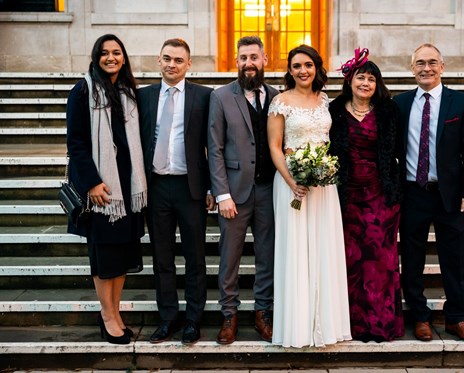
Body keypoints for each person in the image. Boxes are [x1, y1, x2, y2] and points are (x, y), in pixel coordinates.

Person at [394, 43, 464, 342]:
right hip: (412, 193)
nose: (426, 68)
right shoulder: (400, 104)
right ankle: (420, 316)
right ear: (412, 68)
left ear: (442, 67)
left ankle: (456, 318)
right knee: (412, 258)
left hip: (450, 195)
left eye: (432, 62)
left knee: (454, 259)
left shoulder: (460, 102)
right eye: (420, 63)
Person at [267, 44, 352, 348]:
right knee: (296, 249)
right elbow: (275, 147)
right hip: (293, 183)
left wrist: (324, 169)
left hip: (324, 184)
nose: (303, 70)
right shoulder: (280, 102)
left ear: (317, 67)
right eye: (296, 66)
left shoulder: (324, 100)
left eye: (308, 65)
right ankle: (298, 327)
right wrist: (292, 180)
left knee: (323, 249)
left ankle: (326, 324)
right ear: (289, 71)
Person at [66, 34, 147, 345]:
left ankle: (116, 311)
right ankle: (107, 315)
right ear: (96, 56)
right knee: (104, 258)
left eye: (116, 52)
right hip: (102, 192)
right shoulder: (83, 90)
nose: (110, 57)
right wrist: (92, 183)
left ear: (124, 57)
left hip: (127, 190)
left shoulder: (127, 91)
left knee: (123, 255)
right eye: (104, 53)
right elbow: (76, 143)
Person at [138, 38, 215, 345]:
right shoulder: (143, 97)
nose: (172, 64)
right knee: (162, 257)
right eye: (167, 58)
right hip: (156, 186)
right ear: (159, 60)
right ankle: (168, 317)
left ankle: (193, 320)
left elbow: (214, 144)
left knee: (196, 257)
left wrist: (212, 186)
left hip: (190, 187)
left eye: (178, 60)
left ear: (189, 64)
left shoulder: (204, 97)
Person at [329, 48, 404, 342]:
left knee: (380, 260)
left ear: (377, 84)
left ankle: (380, 324)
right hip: (345, 195)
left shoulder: (388, 111)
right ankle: (350, 324)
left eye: (372, 79)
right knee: (349, 259)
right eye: (361, 77)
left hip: (380, 195)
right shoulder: (333, 110)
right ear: (350, 80)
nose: (366, 84)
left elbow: (398, 152)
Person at [207, 36, 279, 344]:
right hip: (234, 193)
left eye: (254, 57)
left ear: (265, 60)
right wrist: (222, 194)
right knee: (229, 257)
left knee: (267, 256)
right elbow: (214, 147)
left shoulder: (278, 96)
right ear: (236, 62)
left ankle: (262, 311)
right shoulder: (221, 96)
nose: (249, 62)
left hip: (269, 190)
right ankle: (229, 314)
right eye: (243, 58)